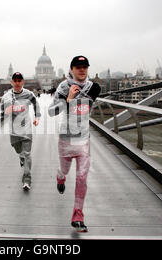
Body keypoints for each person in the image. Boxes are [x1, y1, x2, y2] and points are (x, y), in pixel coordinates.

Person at [48, 56, 101, 232]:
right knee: (65, 170)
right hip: (66, 139)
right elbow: (51, 112)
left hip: (84, 140)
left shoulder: (95, 87)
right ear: (71, 69)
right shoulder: (63, 87)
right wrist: (68, 99)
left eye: (85, 66)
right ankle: (60, 176)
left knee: (82, 178)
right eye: (78, 67)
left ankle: (78, 215)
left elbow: (88, 102)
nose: (82, 69)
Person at [0, 72, 41, 191]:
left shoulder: (29, 94)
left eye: (19, 80)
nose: (17, 83)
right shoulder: (6, 96)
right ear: (12, 82)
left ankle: (27, 179)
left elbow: (36, 105)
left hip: (26, 128)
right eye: (15, 81)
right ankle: (21, 156)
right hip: (13, 130)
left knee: (27, 153)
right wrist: (6, 111)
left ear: (23, 82)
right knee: (18, 149)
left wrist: (37, 118)